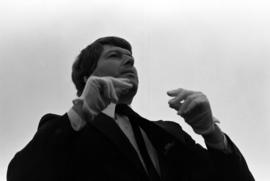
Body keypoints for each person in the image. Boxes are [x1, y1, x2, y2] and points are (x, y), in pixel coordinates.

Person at [7, 36, 255, 181]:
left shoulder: (169, 133)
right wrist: (81, 113)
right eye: (115, 56)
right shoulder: (66, 130)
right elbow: (22, 175)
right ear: (87, 78)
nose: (130, 61)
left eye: (132, 59)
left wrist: (211, 132)